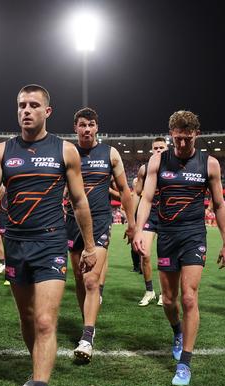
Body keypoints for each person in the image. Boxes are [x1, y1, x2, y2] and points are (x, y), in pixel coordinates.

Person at [0, 84, 96, 386]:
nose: (26, 110)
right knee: (26, 316)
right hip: (16, 245)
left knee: (45, 321)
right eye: (21, 104)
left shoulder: (65, 151)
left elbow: (80, 202)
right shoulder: (3, 151)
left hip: (51, 244)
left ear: (47, 112)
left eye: (34, 105)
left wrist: (91, 246)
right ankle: (36, 368)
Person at [133, 110, 225, 386]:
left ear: (196, 135)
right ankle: (177, 331)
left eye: (187, 139)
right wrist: (140, 230)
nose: (182, 145)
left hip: (193, 236)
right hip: (166, 235)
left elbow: (219, 205)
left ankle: (185, 363)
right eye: (177, 139)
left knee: (189, 297)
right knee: (168, 299)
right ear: (171, 135)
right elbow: (148, 197)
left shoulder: (209, 164)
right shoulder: (158, 160)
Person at [65, 107, 135, 364]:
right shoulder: (67, 152)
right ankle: (87, 322)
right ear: (76, 128)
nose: (86, 129)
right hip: (72, 222)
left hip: (101, 221)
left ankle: (87, 335)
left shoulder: (110, 153)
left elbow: (125, 190)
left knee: (92, 280)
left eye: (90, 125)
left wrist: (132, 223)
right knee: (80, 280)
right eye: (82, 125)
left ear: (97, 128)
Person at [133, 137, 168, 306]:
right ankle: (149, 291)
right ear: (152, 150)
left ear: (167, 149)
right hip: (150, 215)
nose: (159, 150)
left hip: (168, 218)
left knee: (164, 257)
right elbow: (137, 192)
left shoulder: (174, 168)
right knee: (144, 254)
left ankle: (163, 293)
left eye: (162, 147)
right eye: (156, 148)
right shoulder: (144, 169)